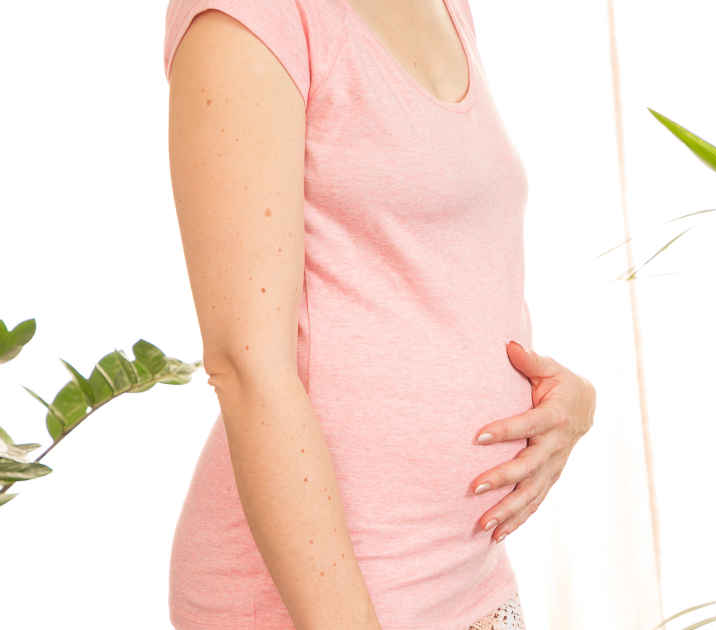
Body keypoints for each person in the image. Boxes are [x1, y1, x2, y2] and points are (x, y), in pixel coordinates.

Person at [162, 0, 597, 628]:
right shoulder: (253, 15)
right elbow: (245, 365)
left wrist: (568, 402)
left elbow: (431, 282)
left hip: (467, 576)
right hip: (323, 604)